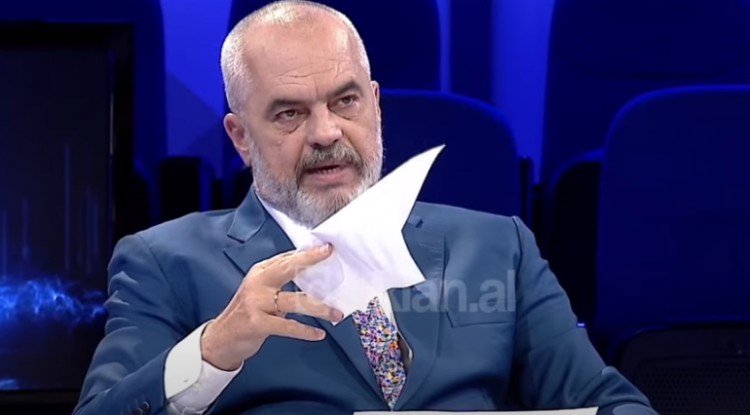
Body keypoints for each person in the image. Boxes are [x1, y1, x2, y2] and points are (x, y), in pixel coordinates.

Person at [73, 1, 659, 414]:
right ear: (240, 137)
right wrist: (210, 351)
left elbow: (610, 403)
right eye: (289, 114)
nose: (326, 133)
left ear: (375, 105)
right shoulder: (164, 262)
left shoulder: (498, 246)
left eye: (345, 101)